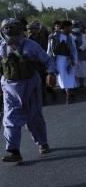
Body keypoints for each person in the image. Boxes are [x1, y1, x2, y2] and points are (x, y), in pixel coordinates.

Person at [1, 18, 56, 163]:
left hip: (30, 85)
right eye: (6, 28)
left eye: (13, 27)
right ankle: (14, 151)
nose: (9, 30)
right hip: (9, 88)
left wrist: (51, 73)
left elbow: (48, 60)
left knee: (34, 116)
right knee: (10, 119)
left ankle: (42, 142)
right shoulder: (1, 47)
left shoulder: (30, 45)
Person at [47, 19, 78, 104]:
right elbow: (49, 50)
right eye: (70, 28)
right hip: (58, 60)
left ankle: (69, 95)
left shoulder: (70, 37)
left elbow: (74, 50)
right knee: (63, 78)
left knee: (69, 77)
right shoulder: (53, 36)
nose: (71, 30)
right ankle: (69, 94)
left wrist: (75, 60)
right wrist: (49, 62)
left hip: (68, 60)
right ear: (66, 27)